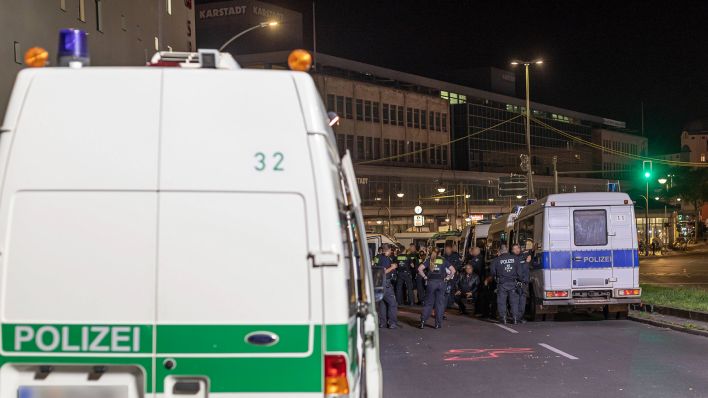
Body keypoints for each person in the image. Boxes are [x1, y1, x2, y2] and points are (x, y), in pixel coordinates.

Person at [418, 248, 456, 329]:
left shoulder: (429, 260)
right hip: (441, 283)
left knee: (428, 303)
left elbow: (419, 269)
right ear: (440, 253)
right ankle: (438, 324)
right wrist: (447, 278)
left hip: (431, 283)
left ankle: (423, 322)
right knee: (439, 304)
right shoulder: (443, 260)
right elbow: (453, 270)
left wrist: (425, 277)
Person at [490, 244, 523, 324]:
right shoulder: (515, 258)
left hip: (502, 284)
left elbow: (493, 272)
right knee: (514, 302)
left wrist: (496, 279)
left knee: (502, 302)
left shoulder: (496, 260)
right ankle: (515, 319)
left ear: (500, 251)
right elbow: (519, 272)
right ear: (507, 250)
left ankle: (503, 319)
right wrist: (520, 280)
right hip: (513, 283)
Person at [373, 244, 399, 328]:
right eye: (391, 250)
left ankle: (382, 323)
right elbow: (383, 272)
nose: (391, 252)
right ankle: (392, 323)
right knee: (393, 303)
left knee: (382, 303)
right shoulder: (385, 259)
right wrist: (392, 267)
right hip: (385, 283)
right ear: (388, 250)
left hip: (378, 282)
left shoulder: (377, 257)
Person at [516, 249, 531, 323]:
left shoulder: (519, 257)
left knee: (520, 300)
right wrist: (527, 262)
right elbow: (521, 272)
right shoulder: (520, 260)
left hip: (522, 283)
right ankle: (518, 318)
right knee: (520, 301)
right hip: (521, 283)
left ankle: (517, 317)